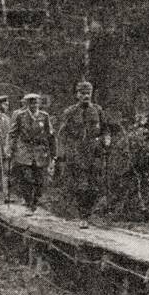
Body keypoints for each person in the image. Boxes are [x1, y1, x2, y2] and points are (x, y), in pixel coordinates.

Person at [57, 80, 112, 228]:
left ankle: (90, 213)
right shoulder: (70, 112)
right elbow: (62, 134)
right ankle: (83, 216)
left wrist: (106, 140)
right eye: (82, 93)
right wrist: (61, 154)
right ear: (77, 95)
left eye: (88, 93)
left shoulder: (98, 110)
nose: (86, 96)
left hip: (94, 152)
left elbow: (106, 130)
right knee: (81, 185)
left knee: (95, 185)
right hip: (77, 152)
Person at [7, 94, 56, 214]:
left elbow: (50, 136)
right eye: (31, 103)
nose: (34, 105)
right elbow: (12, 134)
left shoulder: (44, 116)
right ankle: (29, 203)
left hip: (40, 151)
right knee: (26, 178)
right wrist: (9, 148)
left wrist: (53, 153)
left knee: (40, 179)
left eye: (36, 103)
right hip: (24, 151)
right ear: (27, 104)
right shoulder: (20, 116)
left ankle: (35, 201)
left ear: (39, 103)